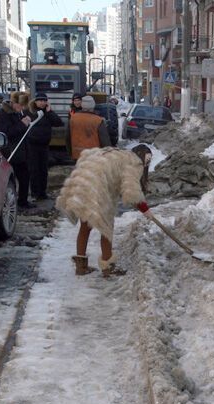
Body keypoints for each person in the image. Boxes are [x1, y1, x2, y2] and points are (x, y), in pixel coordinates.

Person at [55, 145, 153, 276]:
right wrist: (145, 210)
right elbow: (132, 191)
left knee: (86, 225)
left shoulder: (117, 153)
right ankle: (108, 267)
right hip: (99, 189)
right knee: (106, 228)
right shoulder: (135, 162)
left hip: (84, 184)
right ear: (145, 158)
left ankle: (81, 267)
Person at [0, 92, 34, 208]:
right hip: (11, 152)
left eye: (23, 106)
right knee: (12, 180)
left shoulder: (17, 113)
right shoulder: (4, 114)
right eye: (20, 105)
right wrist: (22, 124)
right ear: (14, 103)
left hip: (21, 152)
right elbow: (6, 133)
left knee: (25, 178)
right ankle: (11, 203)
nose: (22, 108)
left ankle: (23, 201)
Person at [24, 93, 64, 201]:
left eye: (44, 100)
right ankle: (34, 193)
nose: (42, 103)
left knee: (43, 170)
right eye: (40, 100)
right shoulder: (29, 112)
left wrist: (50, 112)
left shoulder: (48, 113)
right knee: (34, 170)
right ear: (35, 101)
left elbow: (59, 123)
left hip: (44, 146)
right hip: (32, 145)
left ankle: (42, 192)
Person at [69, 94, 111, 159]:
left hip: (77, 154)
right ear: (93, 106)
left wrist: (71, 153)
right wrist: (108, 153)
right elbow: (105, 140)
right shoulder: (98, 120)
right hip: (93, 155)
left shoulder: (73, 118)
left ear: (82, 105)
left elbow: (68, 138)